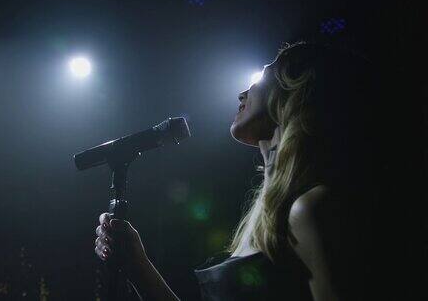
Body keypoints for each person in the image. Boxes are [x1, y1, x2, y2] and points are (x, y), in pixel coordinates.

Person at [94, 42, 389, 300]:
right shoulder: (265, 216)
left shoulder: (312, 209)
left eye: (260, 76)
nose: (241, 93)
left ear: (297, 91)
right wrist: (137, 264)